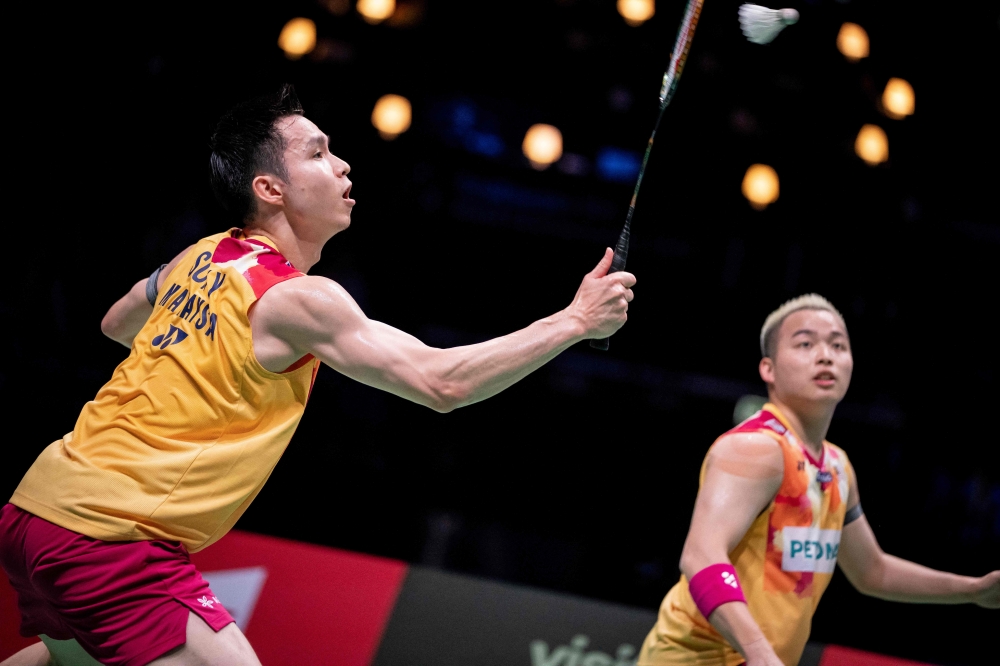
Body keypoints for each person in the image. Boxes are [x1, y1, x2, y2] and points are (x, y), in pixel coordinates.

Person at [0, 85, 636, 666]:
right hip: (114, 534)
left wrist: (194, 339)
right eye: (318, 154)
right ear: (270, 188)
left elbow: (117, 323)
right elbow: (441, 382)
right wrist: (574, 321)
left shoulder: (202, 255)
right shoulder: (298, 298)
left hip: (38, 509)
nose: (343, 165)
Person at [636, 294, 999, 666]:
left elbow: (872, 571)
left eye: (838, 345)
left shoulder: (837, 466)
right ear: (768, 369)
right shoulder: (756, 448)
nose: (826, 356)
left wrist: (973, 590)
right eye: (805, 344)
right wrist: (760, 654)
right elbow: (700, 557)